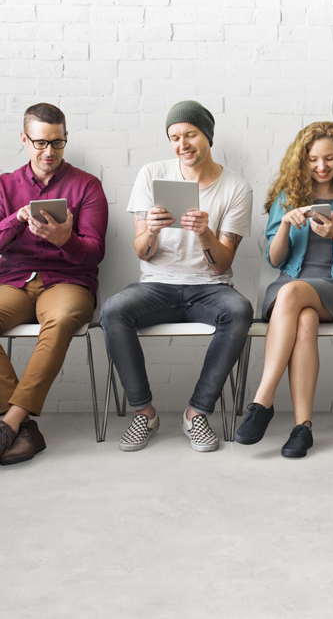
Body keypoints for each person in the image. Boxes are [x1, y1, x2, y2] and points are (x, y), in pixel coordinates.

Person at [101, 100, 253, 453]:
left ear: (208, 136)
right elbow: (141, 250)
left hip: (210, 289)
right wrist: (151, 231)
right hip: (156, 284)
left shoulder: (236, 188)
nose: (182, 144)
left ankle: (196, 413)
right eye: (174, 137)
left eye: (190, 134)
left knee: (240, 310)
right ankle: (145, 413)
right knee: (113, 310)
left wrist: (205, 234)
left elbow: (221, 264)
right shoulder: (152, 174)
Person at [0, 103, 108, 467]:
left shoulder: (87, 185)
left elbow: (94, 253)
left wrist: (65, 239)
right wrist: (16, 219)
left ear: (65, 139)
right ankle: (26, 428)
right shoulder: (4, 185)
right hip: (16, 281)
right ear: (25, 140)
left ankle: (8, 424)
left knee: (60, 319)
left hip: (69, 281)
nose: (49, 152)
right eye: (41, 143)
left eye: (57, 143)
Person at [234, 122, 333, 458]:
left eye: (329, 159)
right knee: (304, 320)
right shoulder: (287, 196)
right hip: (287, 290)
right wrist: (283, 223)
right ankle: (302, 428)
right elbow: (274, 259)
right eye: (313, 159)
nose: (321, 166)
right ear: (302, 160)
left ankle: (262, 400)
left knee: (293, 293)